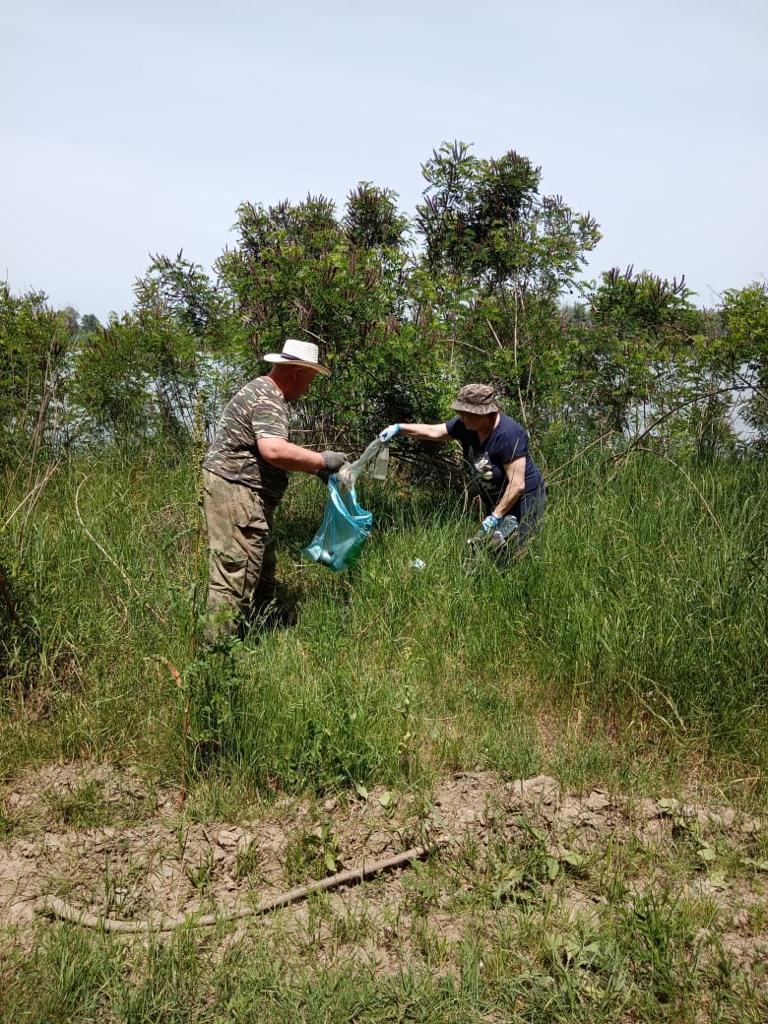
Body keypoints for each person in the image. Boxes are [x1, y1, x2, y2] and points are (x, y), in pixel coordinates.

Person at [202, 339, 348, 641]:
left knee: (262, 563)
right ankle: (215, 657)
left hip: (243, 493)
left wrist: (315, 469)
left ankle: (263, 626)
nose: (308, 388)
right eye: (309, 379)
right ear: (297, 373)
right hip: (237, 492)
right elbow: (274, 450)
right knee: (235, 576)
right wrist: (323, 460)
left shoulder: (263, 391)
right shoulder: (268, 398)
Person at [378, 383, 546, 548]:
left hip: (524, 499)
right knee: (494, 549)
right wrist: (399, 428)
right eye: (460, 413)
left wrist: (496, 516)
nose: (461, 417)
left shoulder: (509, 434)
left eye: (467, 414)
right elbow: (435, 431)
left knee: (521, 549)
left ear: (485, 413)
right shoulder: (466, 426)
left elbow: (517, 484)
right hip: (496, 497)